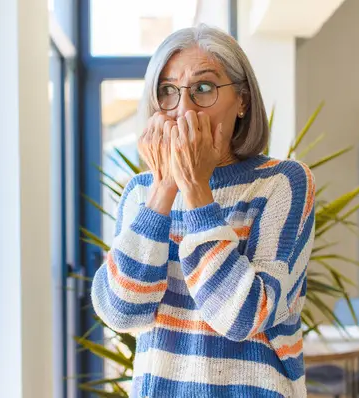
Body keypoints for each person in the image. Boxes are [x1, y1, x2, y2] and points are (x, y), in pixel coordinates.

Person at [91, 24, 315, 398]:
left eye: (204, 88)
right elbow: (121, 313)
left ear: (242, 100)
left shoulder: (283, 183)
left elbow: (243, 315)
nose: (184, 109)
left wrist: (196, 189)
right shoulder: (141, 194)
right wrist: (165, 188)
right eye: (168, 91)